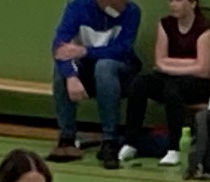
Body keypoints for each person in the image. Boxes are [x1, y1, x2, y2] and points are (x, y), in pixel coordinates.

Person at [120, 0, 210, 167]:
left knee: (172, 89)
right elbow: (159, 62)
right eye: (170, 0)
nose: (173, 4)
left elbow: (204, 69)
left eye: (178, 0)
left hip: (198, 84)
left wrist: (170, 66)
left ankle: (174, 148)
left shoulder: (205, 30)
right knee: (140, 83)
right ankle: (131, 142)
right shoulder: (165, 25)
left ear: (192, 3)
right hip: (172, 79)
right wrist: (190, 64)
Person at [50, 0, 142, 169]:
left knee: (104, 66)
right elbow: (60, 47)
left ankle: (110, 140)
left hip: (120, 73)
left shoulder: (132, 12)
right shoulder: (77, 7)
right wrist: (71, 76)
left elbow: (121, 49)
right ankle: (67, 138)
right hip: (88, 70)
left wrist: (85, 51)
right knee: (60, 72)